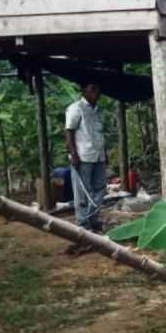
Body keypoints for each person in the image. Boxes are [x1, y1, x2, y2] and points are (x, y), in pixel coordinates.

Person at [65, 82, 106, 234]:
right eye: (93, 89)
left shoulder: (98, 110)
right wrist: (73, 154)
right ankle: (83, 223)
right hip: (83, 157)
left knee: (99, 189)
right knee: (82, 192)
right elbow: (69, 132)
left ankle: (94, 219)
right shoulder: (76, 108)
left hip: (99, 156)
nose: (97, 93)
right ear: (84, 91)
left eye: (98, 89)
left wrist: (104, 154)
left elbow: (99, 134)